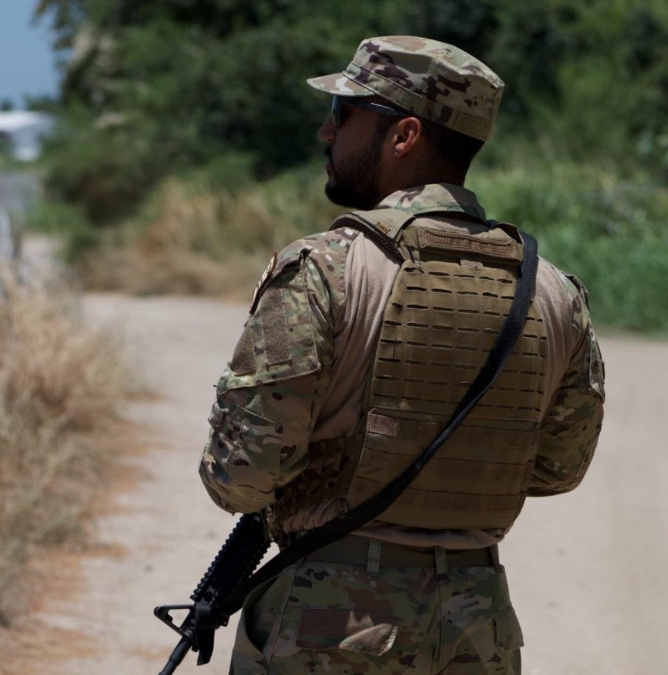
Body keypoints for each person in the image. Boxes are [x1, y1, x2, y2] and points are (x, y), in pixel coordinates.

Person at [198, 35, 605, 675]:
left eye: (344, 114)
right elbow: (559, 469)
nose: (324, 132)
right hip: (478, 627)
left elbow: (241, 475)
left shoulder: (325, 270)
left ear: (404, 135)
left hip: (331, 627)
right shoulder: (554, 292)